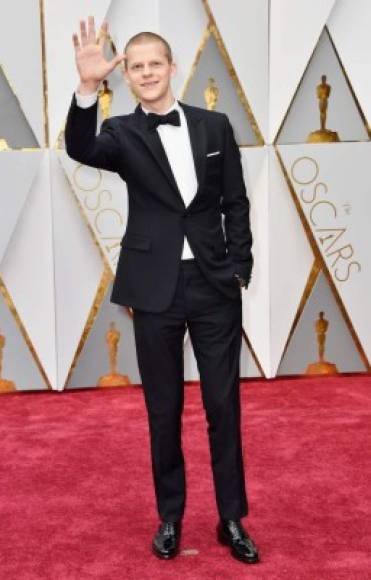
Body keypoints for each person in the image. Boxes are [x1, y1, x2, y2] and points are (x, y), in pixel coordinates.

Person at [65, 16, 259, 564]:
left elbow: (235, 202)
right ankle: (171, 518)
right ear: (125, 75)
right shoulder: (120, 134)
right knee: (163, 408)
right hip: (153, 290)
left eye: (156, 64)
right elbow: (80, 148)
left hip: (215, 286)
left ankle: (230, 518)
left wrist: (239, 267)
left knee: (225, 405)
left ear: (174, 68)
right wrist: (85, 89)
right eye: (137, 66)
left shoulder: (215, 126)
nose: (147, 73)